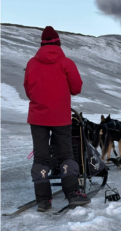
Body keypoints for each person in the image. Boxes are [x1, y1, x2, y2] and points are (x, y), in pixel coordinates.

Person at [24, 26, 90, 212]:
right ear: (58, 43)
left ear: (41, 44)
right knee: (66, 155)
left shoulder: (31, 63)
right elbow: (76, 88)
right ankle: (72, 193)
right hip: (61, 117)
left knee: (41, 157)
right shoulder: (66, 63)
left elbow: (29, 90)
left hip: (38, 117)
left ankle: (44, 200)